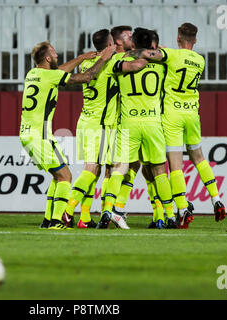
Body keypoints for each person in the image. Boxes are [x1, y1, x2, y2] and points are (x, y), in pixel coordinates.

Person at [59, 29, 151, 229]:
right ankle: (66, 211)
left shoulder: (86, 63)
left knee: (96, 169)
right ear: (109, 45)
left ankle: (84, 218)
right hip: (100, 125)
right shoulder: (110, 63)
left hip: (85, 121)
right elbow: (134, 66)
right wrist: (151, 55)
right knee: (92, 169)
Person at [19, 41, 116, 230]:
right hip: (40, 135)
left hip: (29, 133)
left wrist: (81, 58)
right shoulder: (50, 76)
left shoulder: (33, 74)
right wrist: (104, 58)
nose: (57, 56)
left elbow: (59, 71)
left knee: (58, 175)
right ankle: (57, 221)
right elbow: (88, 77)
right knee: (65, 177)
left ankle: (48, 219)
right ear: (47, 58)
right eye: (54, 54)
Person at [143, 23, 226, 227]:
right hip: (192, 114)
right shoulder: (200, 60)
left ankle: (182, 208)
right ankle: (216, 198)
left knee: (176, 165)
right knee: (199, 158)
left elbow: (154, 54)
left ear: (178, 38)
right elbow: (170, 53)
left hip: (173, 115)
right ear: (195, 40)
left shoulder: (170, 55)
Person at [97, 28, 175, 230]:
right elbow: (167, 53)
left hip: (128, 123)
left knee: (119, 169)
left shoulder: (118, 61)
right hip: (152, 123)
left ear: (133, 42)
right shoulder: (162, 65)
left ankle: (108, 209)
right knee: (159, 172)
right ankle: (169, 216)